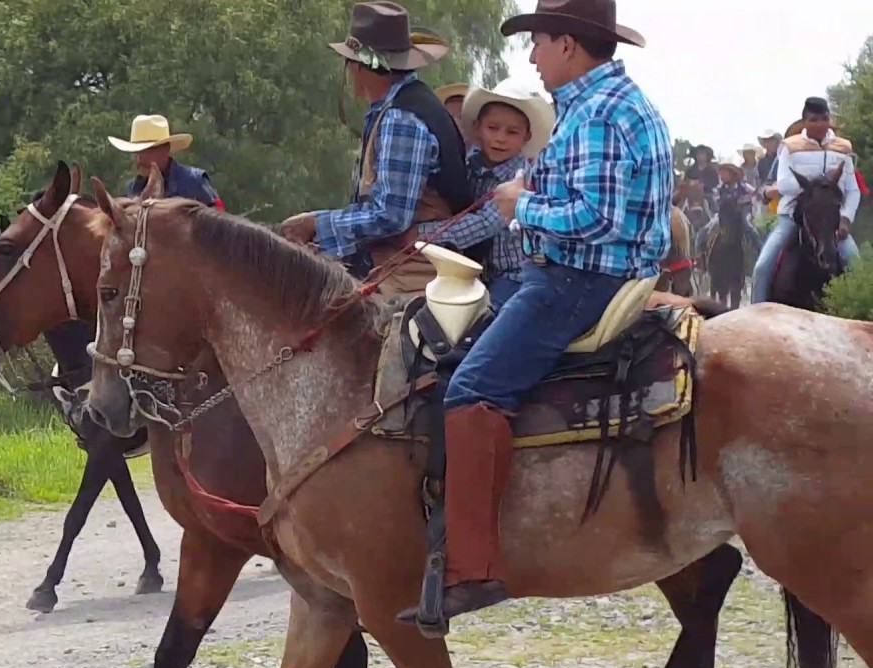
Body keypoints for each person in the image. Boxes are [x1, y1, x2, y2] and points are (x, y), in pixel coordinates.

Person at [405, 0, 671, 629]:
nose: (532, 55)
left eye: (538, 43)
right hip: (573, 272)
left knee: (471, 389)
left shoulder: (601, 114)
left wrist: (521, 207)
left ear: (569, 47)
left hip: (579, 279)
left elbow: (596, 219)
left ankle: (473, 567)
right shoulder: (599, 106)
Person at [278, 1, 472, 296]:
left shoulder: (401, 118)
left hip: (411, 273)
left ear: (359, 66)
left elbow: (391, 216)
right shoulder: (402, 107)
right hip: (397, 265)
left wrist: (316, 224)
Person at [431, 80, 555, 309]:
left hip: (513, 276)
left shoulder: (521, 180)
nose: (500, 138)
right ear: (477, 127)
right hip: (475, 274)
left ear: (526, 137)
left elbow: (483, 224)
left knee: (481, 324)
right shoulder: (467, 168)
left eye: (512, 132)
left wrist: (421, 237)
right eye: (493, 128)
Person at [750, 97, 861, 304]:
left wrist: (845, 219)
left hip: (832, 219)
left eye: (824, 118)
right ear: (805, 122)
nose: (819, 124)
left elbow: (853, 190)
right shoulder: (790, 147)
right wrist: (816, 186)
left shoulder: (843, 148)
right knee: (762, 267)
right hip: (793, 217)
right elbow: (783, 183)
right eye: (814, 119)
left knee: (855, 264)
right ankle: (754, 318)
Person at [108, 114, 224, 209]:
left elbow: (219, 224)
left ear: (166, 149)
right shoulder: (133, 189)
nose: (140, 158)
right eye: (137, 151)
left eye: (148, 150)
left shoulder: (194, 181)